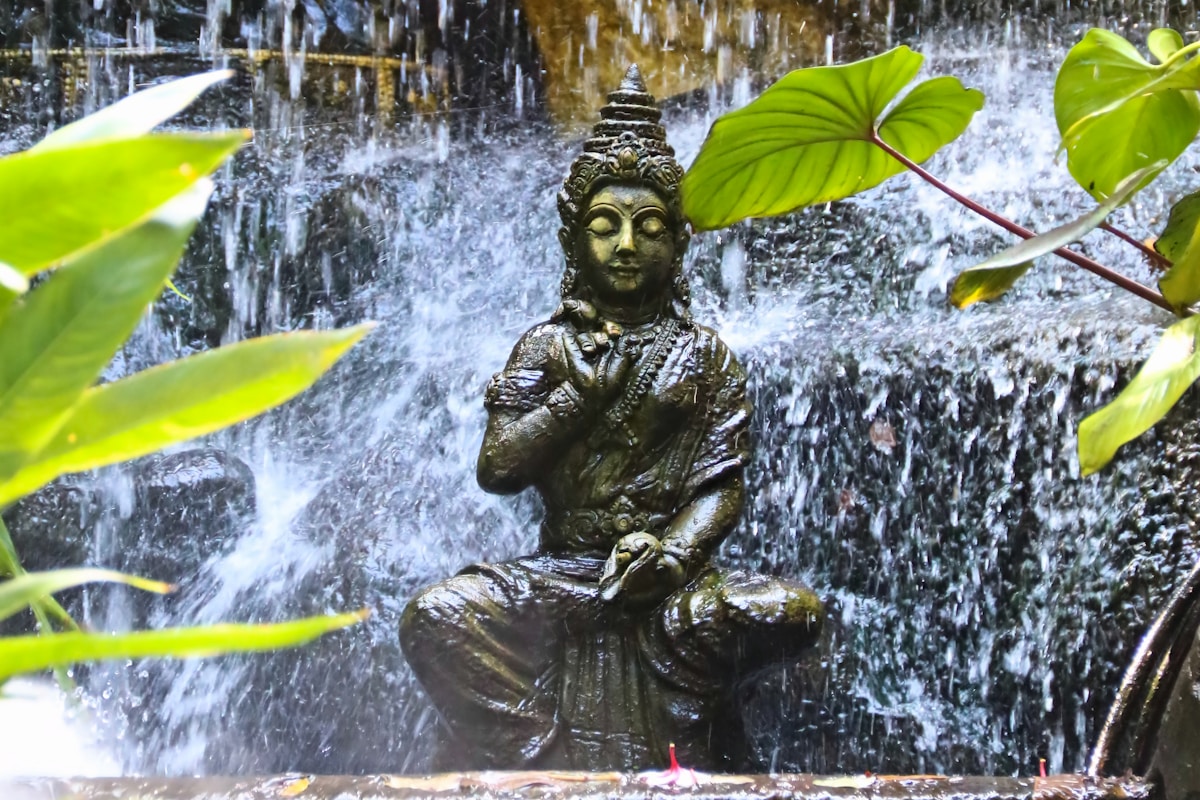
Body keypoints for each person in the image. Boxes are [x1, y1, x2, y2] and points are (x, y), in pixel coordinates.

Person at [400, 65, 821, 772]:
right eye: (606, 226)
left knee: (792, 611)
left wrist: (674, 557)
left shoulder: (706, 356)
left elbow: (720, 488)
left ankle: (664, 727)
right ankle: (542, 759)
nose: (627, 245)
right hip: (563, 573)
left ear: (679, 243)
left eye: (649, 226)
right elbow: (498, 466)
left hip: (669, 579)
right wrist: (579, 397)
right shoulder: (546, 345)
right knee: (435, 616)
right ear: (574, 242)